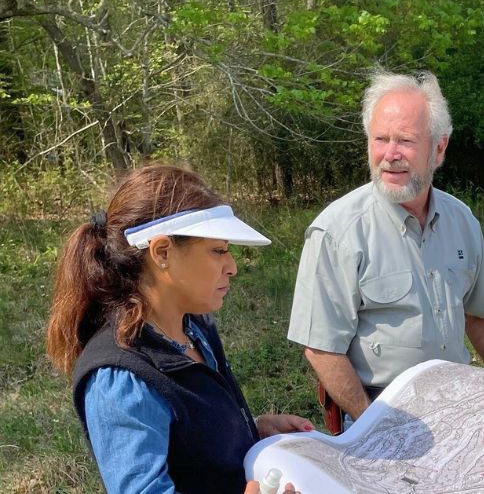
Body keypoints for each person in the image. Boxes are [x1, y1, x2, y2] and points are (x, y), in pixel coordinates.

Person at [46, 165, 312, 494]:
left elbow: (191, 442)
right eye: (218, 251)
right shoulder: (122, 376)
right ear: (162, 252)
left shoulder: (193, 329)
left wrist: (249, 433)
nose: (232, 266)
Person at [288, 70, 484, 433]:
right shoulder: (337, 232)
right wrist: (374, 424)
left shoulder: (463, 221)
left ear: (439, 148)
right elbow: (322, 349)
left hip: (457, 403)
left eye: (405, 141)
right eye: (380, 139)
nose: (390, 155)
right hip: (376, 408)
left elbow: (479, 316)